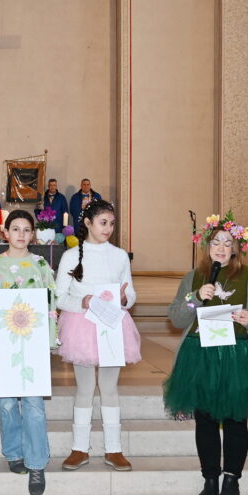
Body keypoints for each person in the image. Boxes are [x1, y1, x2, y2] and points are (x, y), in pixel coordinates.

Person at [163, 213, 248, 495]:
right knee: (206, 420)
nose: (222, 248)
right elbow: (176, 317)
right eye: (217, 242)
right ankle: (209, 480)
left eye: (228, 243)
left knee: (236, 420)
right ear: (207, 246)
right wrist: (196, 297)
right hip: (200, 356)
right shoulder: (194, 277)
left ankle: (231, 481)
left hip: (237, 356)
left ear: (236, 248)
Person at [0, 210, 56, 495]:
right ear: (5, 233)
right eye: (15, 229)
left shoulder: (41, 264)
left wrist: (49, 338)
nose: (21, 234)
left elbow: (50, 303)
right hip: (6, 344)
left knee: (33, 403)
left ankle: (36, 463)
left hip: (32, 344)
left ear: (33, 234)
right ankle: (13, 452)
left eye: (26, 229)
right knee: (7, 403)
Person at [55, 200, 140, 472]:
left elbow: (131, 293)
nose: (109, 228)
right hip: (82, 325)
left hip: (112, 325)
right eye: (103, 222)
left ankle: (114, 449)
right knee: (84, 387)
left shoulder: (119, 256)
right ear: (88, 223)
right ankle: (79, 448)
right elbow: (59, 296)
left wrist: (126, 298)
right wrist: (80, 303)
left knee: (110, 387)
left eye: (112, 223)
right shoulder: (72, 256)